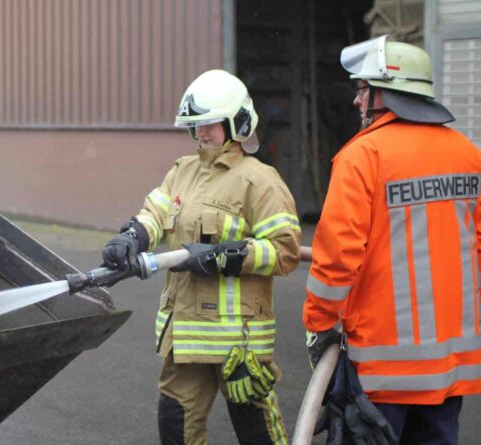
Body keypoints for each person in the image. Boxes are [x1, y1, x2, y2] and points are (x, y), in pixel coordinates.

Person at [101, 69, 301, 445]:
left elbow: (284, 251)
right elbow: (155, 214)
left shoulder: (260, 181)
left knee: (257, 434)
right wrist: (131, 237)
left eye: (210, 124)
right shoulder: (183, 171)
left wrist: (225, 257)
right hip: (186, 338)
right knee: (176, 430)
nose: (201, 133)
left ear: (237, 123)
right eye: (196, 125)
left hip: (239, 345)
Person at [303, 35, 481, 445]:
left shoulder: (362, 157)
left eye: (363, 89)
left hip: (381, 375)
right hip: (449, 371)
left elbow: (337, 258)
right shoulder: (468, 154)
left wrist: (319, 322)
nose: (356, 100)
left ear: (385, 93)